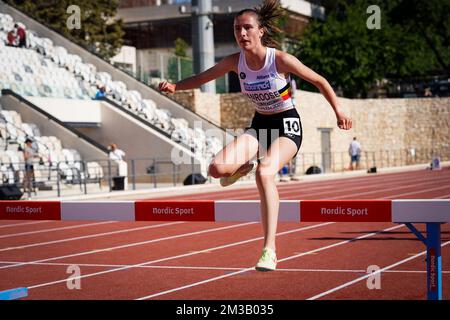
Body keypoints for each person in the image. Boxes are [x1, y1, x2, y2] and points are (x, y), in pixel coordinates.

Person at [158, 0, 352, 271]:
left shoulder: (280, 59)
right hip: (261, 124)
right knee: (216, 169)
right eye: (237, 29)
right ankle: (241, 168)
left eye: (248, 28)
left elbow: (319, 80)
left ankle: (269, 249)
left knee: (265, 173)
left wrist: (338, 111)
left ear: (260, 31)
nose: (242, 34)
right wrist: (176, 86)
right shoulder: (234, 62)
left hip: (287, 126)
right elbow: (202, 78)